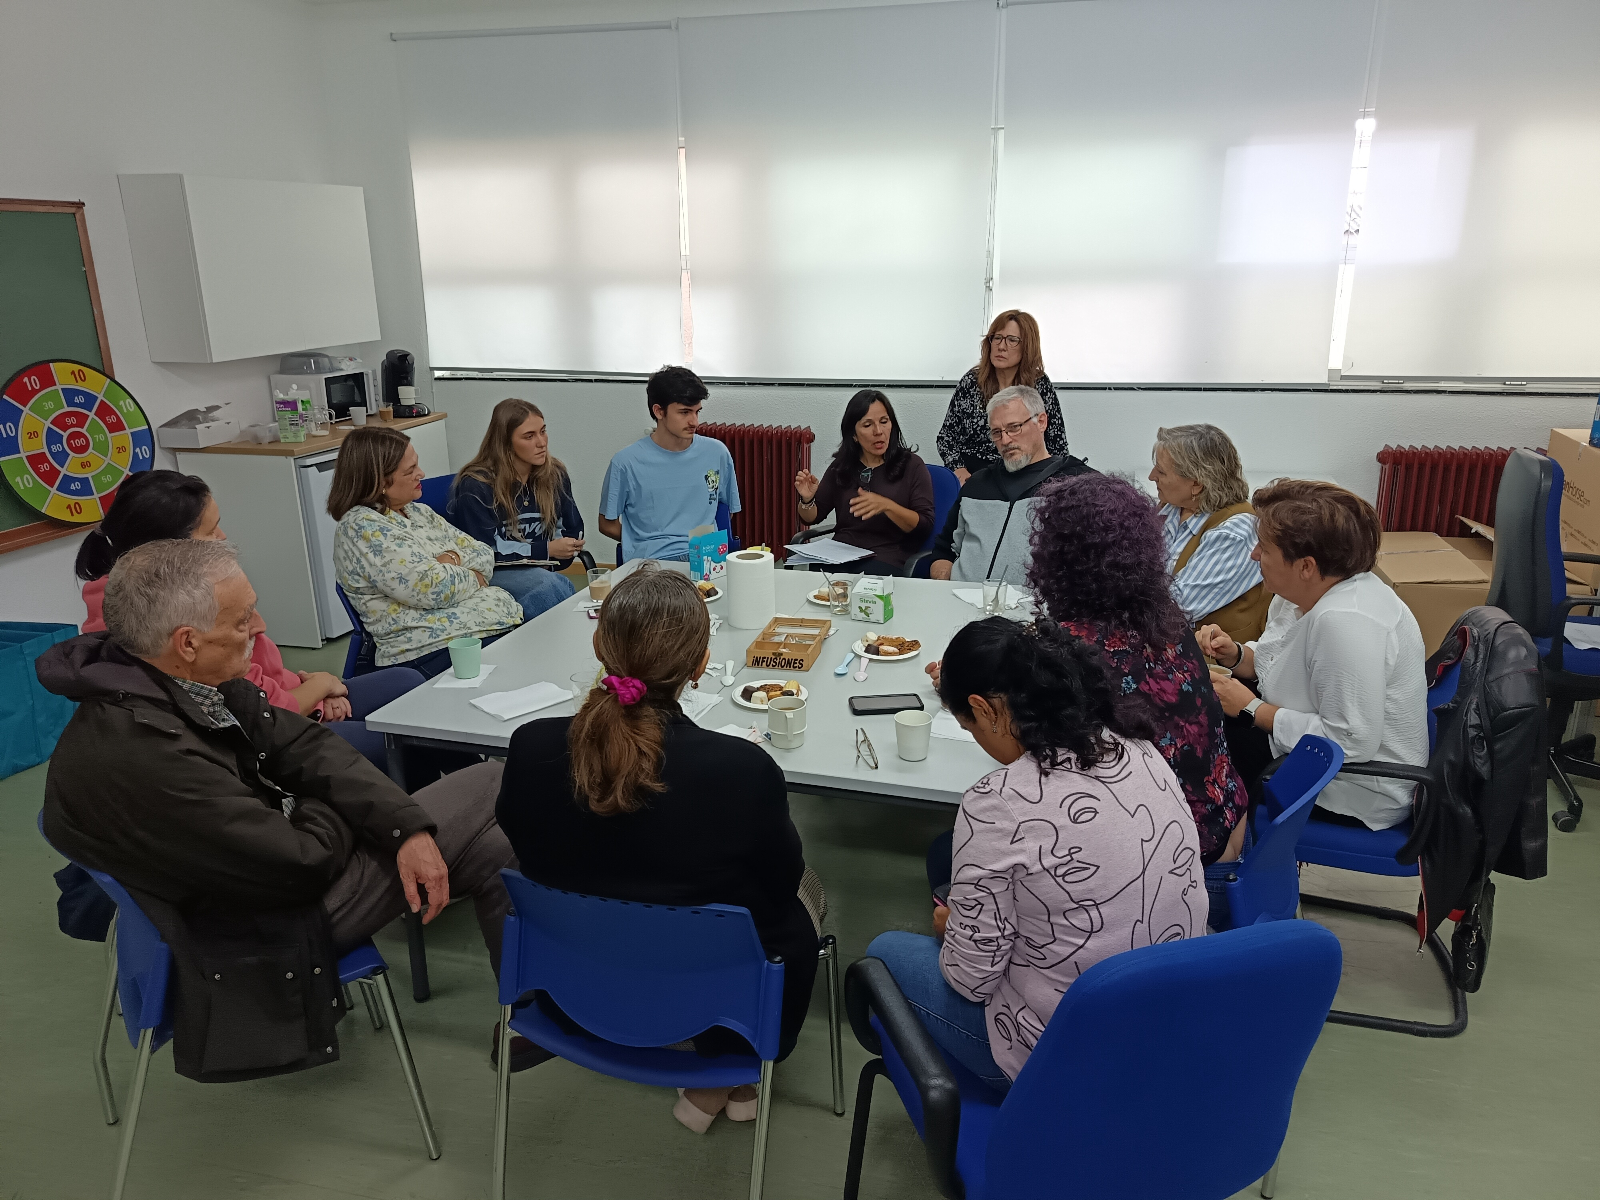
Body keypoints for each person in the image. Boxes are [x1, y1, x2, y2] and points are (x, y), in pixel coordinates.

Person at [38, 539, 516, 1080]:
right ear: (187, 641)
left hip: (263, 871)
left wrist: (403, 828)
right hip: (256, 926)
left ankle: (527, 1013)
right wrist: (355, 813)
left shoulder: (169, 679)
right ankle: (549, 1002)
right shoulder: (148, 755)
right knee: (498, 776)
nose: (260, 628)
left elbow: (303, 744)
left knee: (497, 846)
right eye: (242, 620)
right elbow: (301, 860)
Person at [495, 567, 820, 1132]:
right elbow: (778, 887)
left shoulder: (531, 749)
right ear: (700, 665)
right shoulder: (743, 771)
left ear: (599, 646)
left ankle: (726, 1079)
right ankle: (726, 1073)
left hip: (578, 992)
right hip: (721, 1002)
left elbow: (529, 845)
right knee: (807, 888)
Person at [869, 618, 1205, 1089]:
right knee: (944, 857)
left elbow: (971, 981)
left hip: (1069, 1052)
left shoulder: (998, 804)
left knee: (883, 954)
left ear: (985, 709)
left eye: (971, 728)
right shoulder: (1139, 748)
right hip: (1167, 1020)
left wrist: (955, 932)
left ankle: (986, 1092)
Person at [1024, 472, 1249, 881]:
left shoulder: (1071, 651)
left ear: (1055, 557)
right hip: (1228, 824)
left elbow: (1026, 759)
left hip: (1174, 866)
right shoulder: (1169, 621)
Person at [1201, 479, 1429, 831]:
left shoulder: (1347, 623)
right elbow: (1285, 659)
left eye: (1263, 548)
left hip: (1353, 791)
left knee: (1196, 748)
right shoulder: (1307, 592)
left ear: (1305, 566)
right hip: (1309, 751)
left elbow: (1349, 743)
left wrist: (1251, 709)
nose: (1254, 555)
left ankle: (1212, 863)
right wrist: (1236, 655)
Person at [77, 470, 351, 721]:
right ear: (167, 549)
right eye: (209, 532)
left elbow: (260, 676)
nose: (222, 537)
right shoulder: (157, 612)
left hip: (283, 700)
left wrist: (313, 690)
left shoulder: (183, 590)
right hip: (270, 723)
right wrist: (320, 689)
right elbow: (257, 703)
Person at [331, 425, 523, 679]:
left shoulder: (417, 511)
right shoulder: (362, 527)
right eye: (410, 471)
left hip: (473, 631)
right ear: (379, 482)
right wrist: (471, 576)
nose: (421, 474)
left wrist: (450, 560)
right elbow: (432, 587)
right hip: (424, 650)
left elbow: (484, 554)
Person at [928, 385, 1092, 585]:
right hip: (963, 602)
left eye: (1014, 427)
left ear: (1041, 422)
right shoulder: (977, 485)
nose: (1005, 440)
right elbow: (943, 549)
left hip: (1034, 610)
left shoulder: (1078, 485)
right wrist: (946, 582)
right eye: (997, 432)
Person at [449, 398, 582, 620]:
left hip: (543, 572)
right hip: (493, 573)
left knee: (551, 585)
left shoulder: (555, 473)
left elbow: (572, 530)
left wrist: (562, 549)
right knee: (548, 588)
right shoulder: (475, 485)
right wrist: (545, 550)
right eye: (529, 436)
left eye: (543, 431)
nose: (542, 443)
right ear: (504, 442)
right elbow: (485, 553)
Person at [598, 366, 741, 562]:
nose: (694, 421)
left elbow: (726, 511)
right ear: (659, 411)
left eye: (697, 412)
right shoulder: (625, 463)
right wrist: (641, 543)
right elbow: (607, 524)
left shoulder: (717, 453)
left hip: (705, 560)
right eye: (684, 412)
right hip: (652, 562)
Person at [793, 389, 935, 575]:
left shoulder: (912, 465)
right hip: (841, 554)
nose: (878, 431)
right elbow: (812, 517)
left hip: (887, 558)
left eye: (884, 422)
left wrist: (887, 506)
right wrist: (807, 499)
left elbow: (925, 526)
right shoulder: (842, 466)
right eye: (868, 425)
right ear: (854, 434)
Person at [1150, 424, 1269, 644]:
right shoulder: (1169, 509)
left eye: (1161, 471)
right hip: (1161, 646)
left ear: (1196, 483)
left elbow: (1172, 609)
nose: (1151, 477)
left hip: (1212, 665)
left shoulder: (1236, 533)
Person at [936, 310, 1068, 484]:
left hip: (1026, 473)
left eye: (1012, 340)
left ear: (1027, 346)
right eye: (997, 338)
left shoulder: (1040, 384)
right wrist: (958, 468)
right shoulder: (971, 382)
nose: (1001, 346)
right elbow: (946, 437)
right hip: (977, 474)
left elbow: (1057, 445)